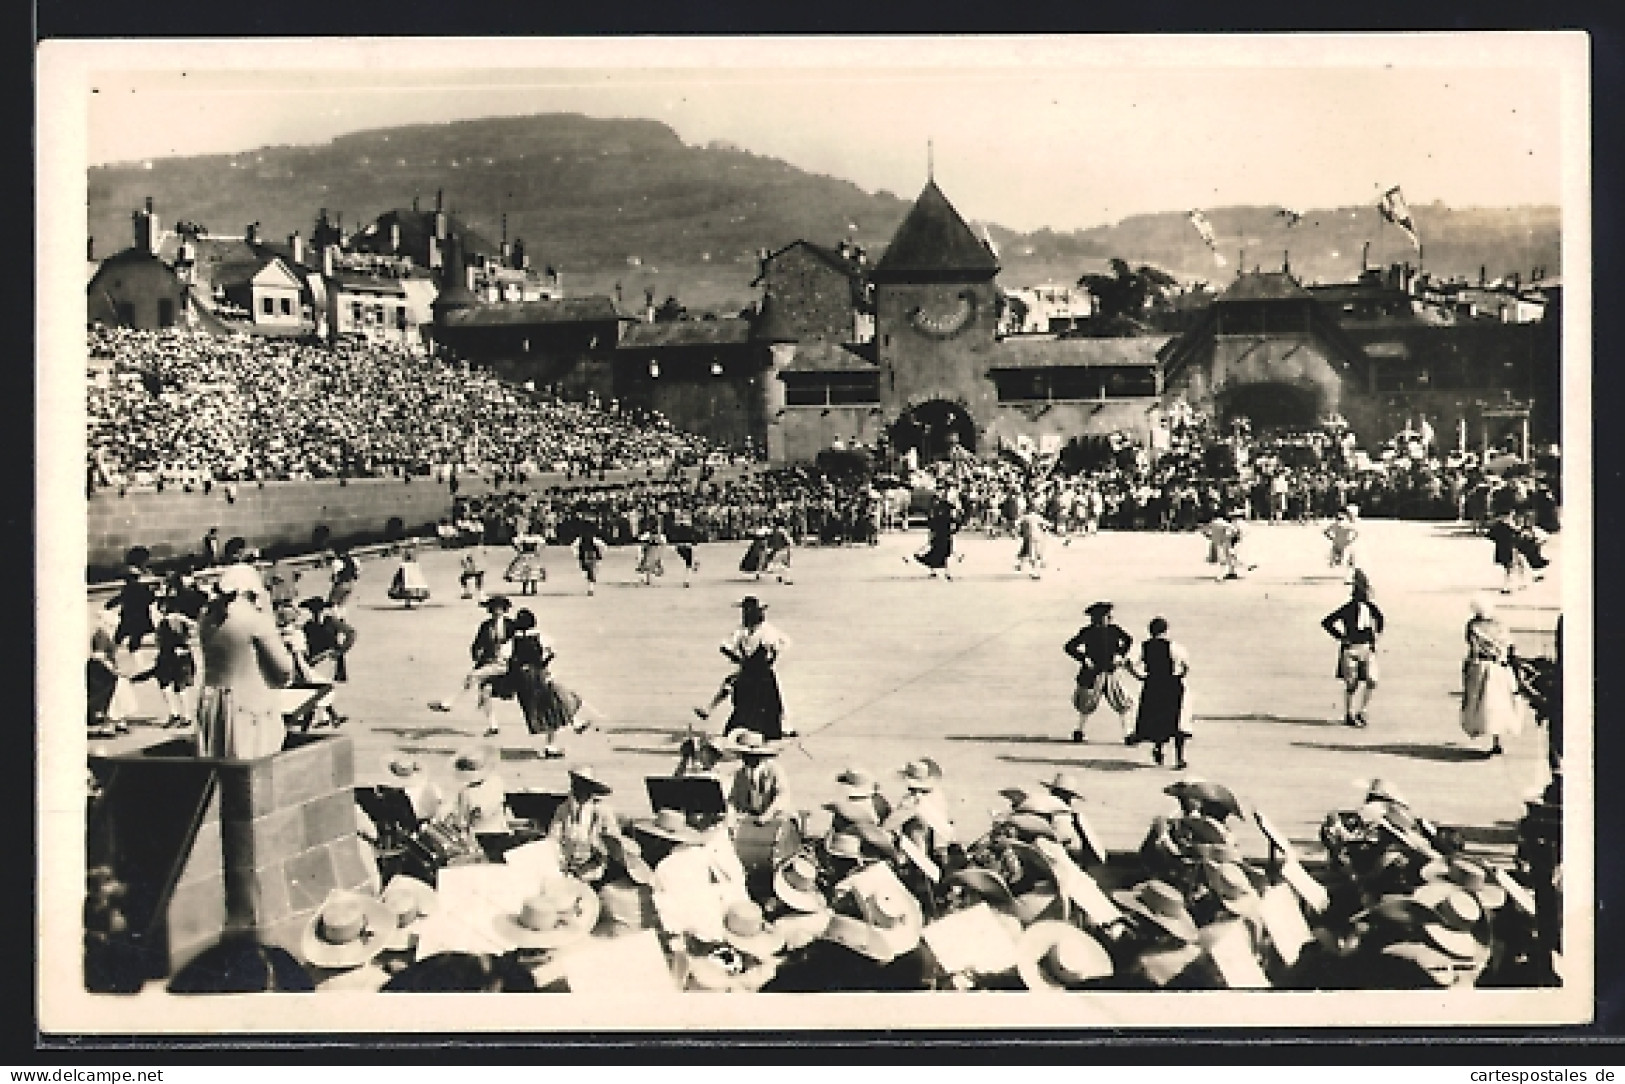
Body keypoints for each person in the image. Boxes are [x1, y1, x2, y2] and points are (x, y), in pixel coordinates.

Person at [196, 564, 296, 759]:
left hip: (213, 702)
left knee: (218, 764)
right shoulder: (255, 620)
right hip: (250, 707)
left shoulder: (208, 617)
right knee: (252, 764)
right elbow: (285, 669)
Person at [701, 596, 792, 741]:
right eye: (745, 611)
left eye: (749, 611)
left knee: (769, 703)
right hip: (749, 672)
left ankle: (775, 729)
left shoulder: (767, 631)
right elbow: (725, 646)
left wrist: (769, 659)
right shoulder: (742, 630)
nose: (745, 615)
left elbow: (780, 646)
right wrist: (739, 659)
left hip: (761, 674)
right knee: (741, 699)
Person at [506, 608, 589, 758]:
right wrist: (549, 659)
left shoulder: (515, 640)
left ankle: (572, 725)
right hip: (538, 677)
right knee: (554, 706)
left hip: (524, 680)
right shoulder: (539, 638)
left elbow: (511, 660)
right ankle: (564, 733)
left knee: (550, 707)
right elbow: (541, 660)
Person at [429, 595, 514, 735]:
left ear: (504, 610)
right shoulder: (486, 625)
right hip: (488, 662)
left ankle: (448, 703)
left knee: (472, 676)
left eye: (499, 608)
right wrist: (476, 654)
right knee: (485, 693)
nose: (496, 611)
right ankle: (493, 726)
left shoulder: (511, 625)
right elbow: (477, 644)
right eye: (493, 609)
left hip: (504, 664)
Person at [1460, 597, 1525, 757]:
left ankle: (1483, 732)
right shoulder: (1500, 625)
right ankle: (1498, 741)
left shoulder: (1473, 626)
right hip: (1500, 668)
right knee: (1500, 704)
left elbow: (1472, 648)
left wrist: (1467, 669)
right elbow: (1511, 647)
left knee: (1480, 704)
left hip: (1480, 667)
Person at [1126, 617, 1193, 769]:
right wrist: (1181, 675)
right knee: (1176, 720)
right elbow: (1185, 665)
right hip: (1171, 684)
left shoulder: (1143, 647)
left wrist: (1138, 676)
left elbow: (1129, 662)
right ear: (1166, 630)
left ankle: (1159, 748)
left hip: (1152, 685)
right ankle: (1179, 758)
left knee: (1157, 718)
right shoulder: (1174, 647)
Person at [1063, 601, 1135, 743]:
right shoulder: (1087, 632)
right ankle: (1079, 730)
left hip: (1110, 672)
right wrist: (1084, 658)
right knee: (1086, 703)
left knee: (1121, 702)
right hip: (1093, 673)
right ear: (1097, 618)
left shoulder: (1114, 630)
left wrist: (1120, 654)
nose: (1110, 618)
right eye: (1106, 616)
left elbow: (1128, 640)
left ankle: (1127, 733)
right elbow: (1069, 646)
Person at [1322, 576, 1386, 728]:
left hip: (1365, 648)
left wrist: (1376, 636)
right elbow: (1327, 622)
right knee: (1352, 683)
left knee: (1371, 680)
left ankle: (1362, 711)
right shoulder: (1349, 608)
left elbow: (1381, 620)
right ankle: (1350, 713)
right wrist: (1340, 637)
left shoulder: (1370, 608)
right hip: (1352, 649)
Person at [547, 765, 621, 884]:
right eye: (574, 783)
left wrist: (597, 850)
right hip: (566, 869)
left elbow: (615, 844)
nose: (576, 788)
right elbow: (552, 839)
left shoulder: (602, 811)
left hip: (594, 872)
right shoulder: (563, 809)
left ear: (590, 788)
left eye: (581, 784)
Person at [723, 730, 790, 824]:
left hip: (776, 820)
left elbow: (782, 797)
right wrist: (731, 816)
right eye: (743, 755)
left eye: (749, 756)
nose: (745, 759)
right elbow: (733, 800)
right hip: (751, 821)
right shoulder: (741, 773)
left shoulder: (774, 770)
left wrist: (768, 815)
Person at [909, 491, 960, 580]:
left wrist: (953, 531)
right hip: (942, 535)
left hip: (942, 535)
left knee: (940, 554)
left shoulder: (939, 512)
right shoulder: (939, 513)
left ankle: (941, 572)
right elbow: (932, 525)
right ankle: (942, 572)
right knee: (938, 554)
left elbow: (932, 525)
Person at [504, 531, 547, 595]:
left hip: (526, 555)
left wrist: (519, 550)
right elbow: (542, 545)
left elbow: (514, 544)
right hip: (530, 555)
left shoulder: (527, 537)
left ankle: (530, 589)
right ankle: (530, 589)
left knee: (529, 573)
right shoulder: (535, 538)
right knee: (529, 572)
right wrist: (537, 551)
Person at [1014, 503, 1047, 580]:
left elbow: (1016, 523)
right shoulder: (1037, 516)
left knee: (1030, 554)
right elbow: (1047, 523)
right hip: (1038, 536)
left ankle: (1032, 571)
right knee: (1037, 554)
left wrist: (1019, 530)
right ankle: (1036, 571)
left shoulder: (1025, 517)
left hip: (1029, 536)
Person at [1325, 509, 1360, 578]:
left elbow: (1325, 532)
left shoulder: (1337, 525)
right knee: (1345, 560)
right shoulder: (1345, 525)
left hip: (1341, 545)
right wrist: (1351, 540)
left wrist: (1331, 538)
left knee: (1345, 560)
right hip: (1343, 544)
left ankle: (1348, 570)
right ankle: (1349, 570)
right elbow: (1356, 533)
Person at [575, 522, 605, 597]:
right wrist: (600, 554)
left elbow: (574, 546)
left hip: (584, 556)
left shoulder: (580, 539)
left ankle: (590, 588)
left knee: (588, 572)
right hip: (591, 556)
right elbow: (603, 546)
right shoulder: (593, 539)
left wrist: (577, 555)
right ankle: (591, 588)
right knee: (591, 572)